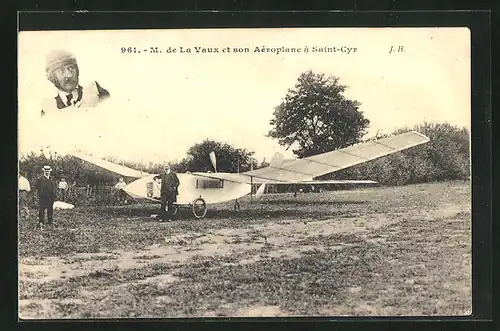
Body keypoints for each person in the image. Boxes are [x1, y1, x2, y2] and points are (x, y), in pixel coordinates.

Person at [41, 49, 110, 116]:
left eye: (71, 68)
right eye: (61, 71)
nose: (69, 75)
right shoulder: (48, 110)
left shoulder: (96, 93)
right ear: (52, 78)